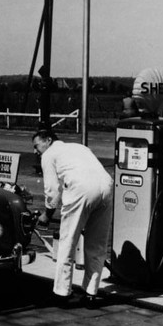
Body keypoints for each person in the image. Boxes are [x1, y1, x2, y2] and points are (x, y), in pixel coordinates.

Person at [32, 129, 113, 308]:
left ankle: (62, 293)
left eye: (36, 146)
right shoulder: (78, 147)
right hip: (106, 186)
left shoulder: (49, 154)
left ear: (48, 140)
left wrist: (47, 214)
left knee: (67, 242)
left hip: (81, 188)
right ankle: (91, 293)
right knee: (97, 244)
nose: (35, 151)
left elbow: (52, 190)